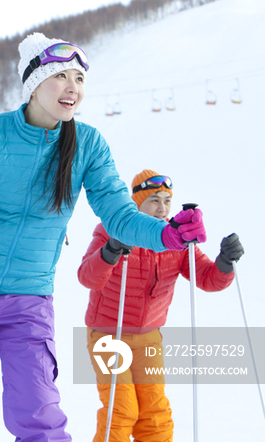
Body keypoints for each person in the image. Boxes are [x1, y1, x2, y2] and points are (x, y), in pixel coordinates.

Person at [0, 32, 208, 442]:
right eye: (60, 75)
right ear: (33, 84)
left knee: (39, 413)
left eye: (79, 79)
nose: (72, 87)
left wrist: (167, 234)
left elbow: (118, 212)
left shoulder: (89, 145)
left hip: (28, 297)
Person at [77, 169, 243, 442]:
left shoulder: (175, 241)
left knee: (155, 412)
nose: (162, 207)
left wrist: (225, 262)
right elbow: (88, 277)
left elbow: (208, 278)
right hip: (109, 335)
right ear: (137, 202)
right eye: (154, 199)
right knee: (121, 410)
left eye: (167, 200)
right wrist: (112, 250)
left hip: (148, 339)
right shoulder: (111, 230)